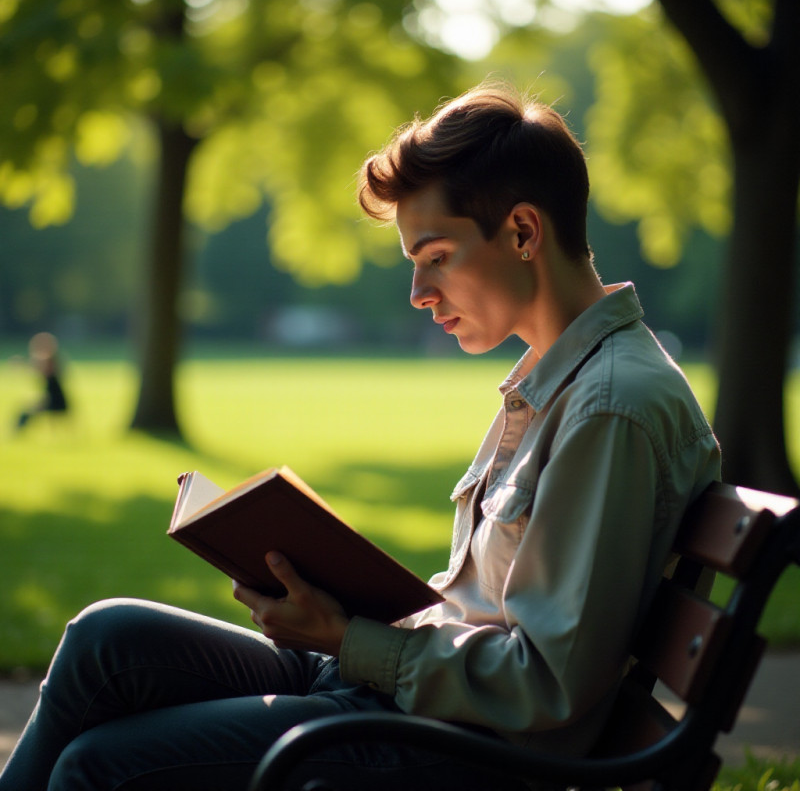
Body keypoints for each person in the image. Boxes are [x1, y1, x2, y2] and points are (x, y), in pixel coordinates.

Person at [0, 81, 720, 791]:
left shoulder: (609, 407)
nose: (419, 293)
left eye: (435, 256)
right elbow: (491, 617)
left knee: (98, 765)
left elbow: (546, 690)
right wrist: (343, 610)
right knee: (107, 640)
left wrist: (351, 640)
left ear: (524, 232)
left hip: (461, 747)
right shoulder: (559, 380)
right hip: (411, 697)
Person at [14, 332, 69, 431]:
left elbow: (41, 367)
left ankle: (17, 432)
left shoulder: (51, 361)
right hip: (50, 399)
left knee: (26, 413)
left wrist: (22, 363)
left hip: (56, 401)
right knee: (26, 411)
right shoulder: (53, 360)